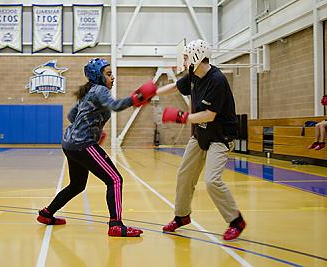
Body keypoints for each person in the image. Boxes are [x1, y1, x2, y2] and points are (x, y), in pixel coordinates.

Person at [37, 58, 156, 237]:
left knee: (77, 185)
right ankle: (116, 225)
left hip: (70, 143)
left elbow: (71, 116)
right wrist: (136, 98)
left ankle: (47, 214)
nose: (113, 78)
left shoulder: (89, 92)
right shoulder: (100, 90)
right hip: (82, 143)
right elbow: (115, 106)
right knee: (115, 179)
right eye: (108, 74)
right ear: (98, 76)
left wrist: (93, 129)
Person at [156, 39, 246, 241]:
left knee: (212, 181)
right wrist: (152, 92)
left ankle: (236, 221)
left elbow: (209, 115)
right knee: (184, 175)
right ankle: (182, 216)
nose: (185, 60)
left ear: (197, 56)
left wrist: (180, 117)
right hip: (201, 134)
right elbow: (176, 87)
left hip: (221, 136)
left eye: (187, 57)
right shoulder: (194, 75)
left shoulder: (217, 80)